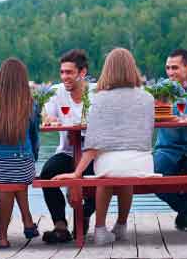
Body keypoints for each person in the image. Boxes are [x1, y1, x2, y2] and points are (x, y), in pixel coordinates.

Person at [54, 48, 155, 245]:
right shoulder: (148, 98)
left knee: (108, 168)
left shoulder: (100, 98)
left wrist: (77, 173)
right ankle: (121, 225)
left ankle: (100, 229)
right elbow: (146, 135)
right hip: (142, 163)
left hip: (111, 164)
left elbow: (93, 144)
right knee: (124, 170)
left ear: (108, 70)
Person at [0, 58, 40, 249]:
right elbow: (35, 139)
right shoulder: (30, 103)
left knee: (8, 182)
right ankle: (18, 226)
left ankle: (7, 233)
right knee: (14, 180)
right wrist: (32, 158)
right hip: (23, 165)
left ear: (0, 78)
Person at [39, 49, 96, 244]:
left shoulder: (95, 94)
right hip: (67, 152)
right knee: (47, 174)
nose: (64, 77)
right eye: (62, 72)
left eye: (69, 72)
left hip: (92, 153)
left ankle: (85, 215)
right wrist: (49, 118)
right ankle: (60, 226)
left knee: (98, 179)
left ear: (82, 72)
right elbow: (45, 116)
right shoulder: (57, 92)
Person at [152, 48, 187, 231]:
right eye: (168, 68)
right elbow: (151, 116)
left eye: (175, 68)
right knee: (153, 178)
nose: (170, 72)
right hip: (167, 148)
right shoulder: (160, 90)